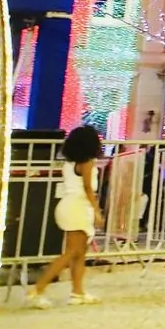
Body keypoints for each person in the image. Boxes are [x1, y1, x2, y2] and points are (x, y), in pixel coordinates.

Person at [29, 126, 105, 308]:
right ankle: (37, 289)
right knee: (72, 253)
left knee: (79, 253)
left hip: (69, 205)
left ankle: (77, 292)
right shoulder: (87, 163)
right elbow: (87, 188)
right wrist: (97, 211)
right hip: (78, 207)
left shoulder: (69, 163)